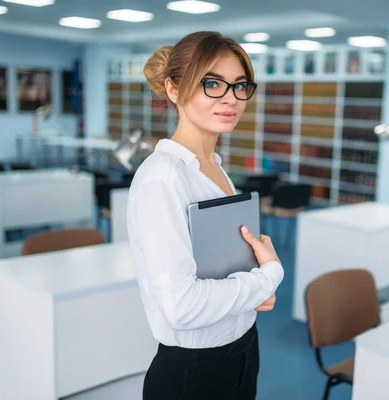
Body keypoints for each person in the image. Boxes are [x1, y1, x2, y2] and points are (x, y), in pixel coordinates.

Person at [126, 31, 284, 400]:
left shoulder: (212, 165)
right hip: (194, 370)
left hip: (243, 348)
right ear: (174, 89)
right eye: (212, 83)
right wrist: (269, 275)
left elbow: (219, 266)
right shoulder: (162, 178)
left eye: (240, 85)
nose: (231, 98)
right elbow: (182, 307)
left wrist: (252, 287)